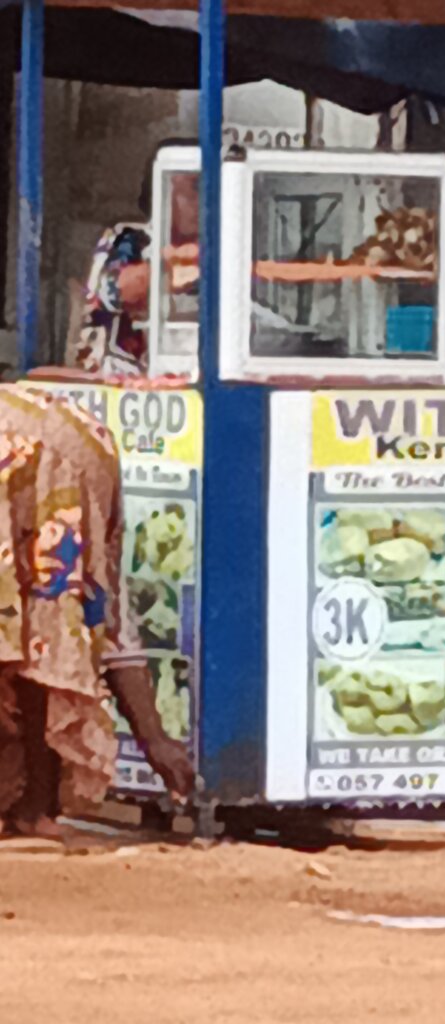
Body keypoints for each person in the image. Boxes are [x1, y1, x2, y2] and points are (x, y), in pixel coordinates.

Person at [0, 383, 194, 839]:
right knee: (47, 620)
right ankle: (35, 804)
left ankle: (35, 803)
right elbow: (99, 610)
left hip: (42, 452)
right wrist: (154, 739)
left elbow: (91, 616)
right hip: (68, 446)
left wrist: (154, 739)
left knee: (44, 623)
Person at [73, 140, 200, 377]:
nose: (204, 202)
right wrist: (176, 270)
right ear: (162, 189)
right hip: (124, 379)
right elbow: (112, 291)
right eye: (196, 188)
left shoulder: (228, 251)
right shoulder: (128, 239)